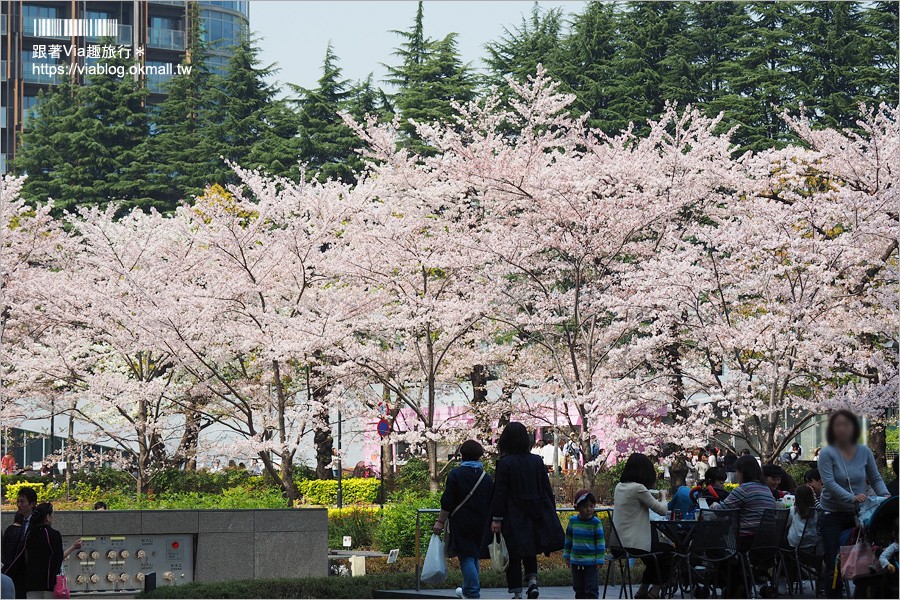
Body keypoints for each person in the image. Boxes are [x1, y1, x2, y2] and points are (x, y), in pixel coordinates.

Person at [817, 410, 890, 598]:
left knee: (863, 561)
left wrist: (885, 495)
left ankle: (861, 595)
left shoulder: (864, 451)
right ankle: (834, 594)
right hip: (831, 514)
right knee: (834, 562)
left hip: (858, 515)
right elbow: (830, 484)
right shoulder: (827, 453)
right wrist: (852, 497)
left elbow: (875, 478)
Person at [488, 422, 564, 599]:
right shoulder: (536, 461)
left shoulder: (505, 463)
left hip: (512, 514)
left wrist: (496, 518)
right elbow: (546, 490)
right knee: (530, 549)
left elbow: (500, 493)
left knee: (513, 553)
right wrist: (549, 512)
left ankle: (517, 593)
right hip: (534, 512)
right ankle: (532, 582)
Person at [434, 440, 494, 600]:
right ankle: (467, 590)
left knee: (466, 557)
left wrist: (440, 521)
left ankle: (473, 592)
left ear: (462, 455)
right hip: (482, 523)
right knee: (473, 555)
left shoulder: (455, 474)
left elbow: (447, 501)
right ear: (480, 456)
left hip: (462, 522)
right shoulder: (486, 478)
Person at [612, 453, 670, 600]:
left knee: (655, 556)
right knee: (669, 553)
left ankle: (643, 591)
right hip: (633, 545)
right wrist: (663, 496)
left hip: (617, 545)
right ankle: (654, 591)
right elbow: (662, 510)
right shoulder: (638, 488)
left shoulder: (619, 486)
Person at [563, 490, 605, 599]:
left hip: (591, 563)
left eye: (591, 506)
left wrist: (599, 559)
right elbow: (568, 540)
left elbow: (600, 543)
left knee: (591, 589)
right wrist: (567, 555)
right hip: (576, 562)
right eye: (585, 506)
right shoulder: (573, 521)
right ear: (578, 507)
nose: (589, 509)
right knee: (578, 589)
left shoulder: (596, 523)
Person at [2, 487, 38, 598]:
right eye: (18, 501)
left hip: (30, 574)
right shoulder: (24, 521)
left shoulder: (37, 523)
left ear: (32, 504)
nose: (19, 505)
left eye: (22, 502)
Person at [23, 503, 64, 599]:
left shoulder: (29, 534)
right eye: (52, 514)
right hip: (49, 583)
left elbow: (26, 557)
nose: (54, 516)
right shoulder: (54, 534)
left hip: (31, 582)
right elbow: (58, 559)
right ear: (48, 517)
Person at [787, 484, 820, 550]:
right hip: (812, 542)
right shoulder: (816, 512)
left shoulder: (793, 510)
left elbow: (786, 523)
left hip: (795, 543)